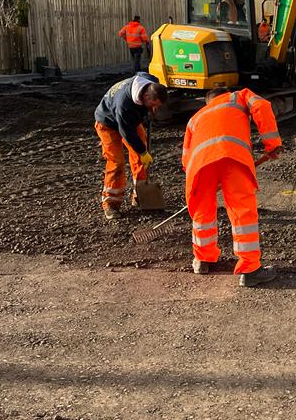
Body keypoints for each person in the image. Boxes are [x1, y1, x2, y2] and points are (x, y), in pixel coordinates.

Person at [182, 87, 282, 285]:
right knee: (242, 210)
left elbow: (186, 158)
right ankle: (250, 269)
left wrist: (205, 178)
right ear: (224, 94)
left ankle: (203, 260)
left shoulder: (195, 118)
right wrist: (272, 144)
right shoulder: (238, 96)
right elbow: (262, 105)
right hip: (233, 157)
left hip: (199, 164)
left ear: (208, 101)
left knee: (202, 211)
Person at [94, 72, 167, 220]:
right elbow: (126, 132)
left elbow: (142, 74)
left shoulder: (150, 82)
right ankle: (111, 203)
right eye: (153, 105)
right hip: (108, 123)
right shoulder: (124, 105)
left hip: (129, 120)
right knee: (117, 162)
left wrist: (150, 110)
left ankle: (140, 194)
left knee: (141, 158)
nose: (155, 109)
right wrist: (142, 151)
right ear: (145, 97)